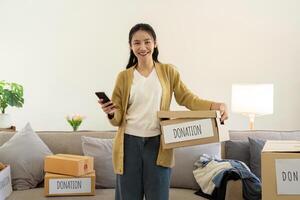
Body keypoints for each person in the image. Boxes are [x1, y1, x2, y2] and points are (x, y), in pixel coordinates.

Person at [98, 23, 228, 200]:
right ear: (130, 46)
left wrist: (216, 106)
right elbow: (118, 118)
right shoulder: (124, 76)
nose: (142, 47)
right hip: (128, 145)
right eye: (136, 43)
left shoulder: (168, 71)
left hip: (159, 144)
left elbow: (188, 99)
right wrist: (111, 112)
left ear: (155, 43)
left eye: (147, 42)